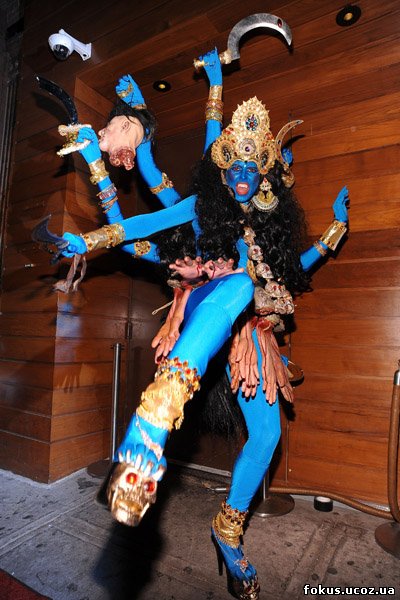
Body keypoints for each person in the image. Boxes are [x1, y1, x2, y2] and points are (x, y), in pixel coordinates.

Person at [56, 49, 349, 600]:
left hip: (250, 337)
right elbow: (145, 218)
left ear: (264, 178)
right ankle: (156, 415)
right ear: (222, 171)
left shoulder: (266, 232)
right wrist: (88, 240)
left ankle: (228, 529)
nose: (241, 176)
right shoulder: (199, 207)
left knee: (267, 434)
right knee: (236, 285)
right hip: (208, 308)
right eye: (232, 167)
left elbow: (294, 268)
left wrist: (333, 233)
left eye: (251, 170)